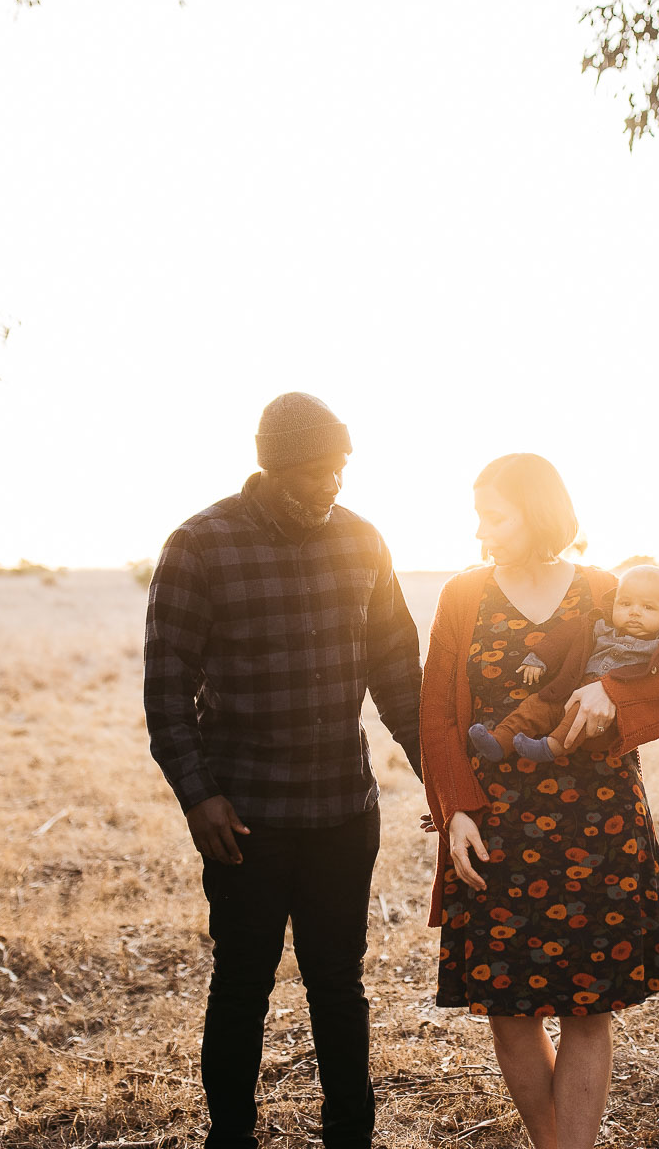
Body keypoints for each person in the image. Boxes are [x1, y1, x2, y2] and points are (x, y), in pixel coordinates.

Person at [143, 392, 423, 1149]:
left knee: (339, 983)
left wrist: (440, 772)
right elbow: (165, 687)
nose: (330, 485)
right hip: (244, 818)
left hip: (342, 810)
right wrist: (197, 795)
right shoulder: (200, 545)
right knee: (242, 985)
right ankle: (229, 1137)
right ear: (271, 466)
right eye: (313, 472)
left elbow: (398, 670)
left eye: (338, 470)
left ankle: (350, 1137)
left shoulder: (364, 541)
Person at [419, 453, 659, 1149]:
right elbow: (437, 717)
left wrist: (614, 691)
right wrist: (455, 811)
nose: (482, 528)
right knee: (508, 1012)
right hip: (496, 826)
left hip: (597, 823)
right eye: (478, 513)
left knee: (587, 1010)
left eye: (495, 513)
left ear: (536, 512)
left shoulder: (606, 588)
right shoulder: (464, 594)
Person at [467, 563, 659, 763]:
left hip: (606, 718)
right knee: (535, 706)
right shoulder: (598, 624)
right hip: (569, 689)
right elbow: (561, 638)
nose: (634, 612)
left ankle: (551, 748)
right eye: (626, 603)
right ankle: (500, 741)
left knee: (577, 715)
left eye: (648, 607)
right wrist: (538, 659)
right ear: (614, 602)